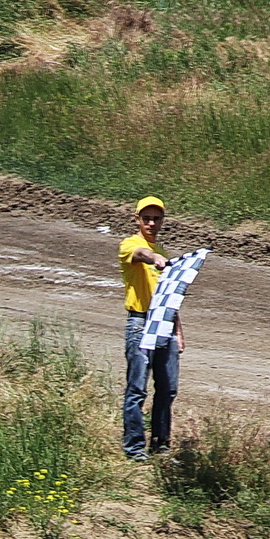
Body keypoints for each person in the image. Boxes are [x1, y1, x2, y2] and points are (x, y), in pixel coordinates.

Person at [118, 198, 183, 463]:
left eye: (157, 219)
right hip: (140, 323)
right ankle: (134, 448)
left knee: (167, 389)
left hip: (165, 323)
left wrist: (179, 331)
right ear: (137, 219)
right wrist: (154, 257)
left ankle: (161, 446)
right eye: (147, 218)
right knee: (137, 389)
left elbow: (170, 297)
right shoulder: (131, 245)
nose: (152, 223)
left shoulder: (163, 252)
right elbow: (141, 255)